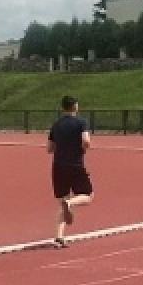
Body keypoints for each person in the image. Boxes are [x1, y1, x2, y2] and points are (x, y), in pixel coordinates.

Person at [48, 94, 93, 249]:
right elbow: (86, 141)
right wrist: (83, 149)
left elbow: (49, 148)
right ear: (75, 106)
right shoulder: (81, 122)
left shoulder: (56, 125)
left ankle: (59, 237)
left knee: (62, 202)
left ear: (62, 107)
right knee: (87, 196)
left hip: (58, 166)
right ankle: (71, 202)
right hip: (75, 164)